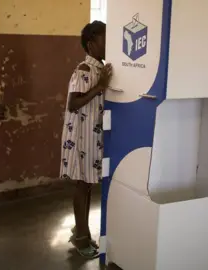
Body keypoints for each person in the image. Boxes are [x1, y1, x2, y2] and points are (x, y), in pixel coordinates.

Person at [60, 20, 112, 259]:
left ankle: (82, 230)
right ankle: (81, 238)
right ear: (91, 44)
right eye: (104, 39)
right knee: (82, 185)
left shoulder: (100, 67)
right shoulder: (85, 69)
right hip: (81, 137)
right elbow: (73, 103)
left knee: (88, 183)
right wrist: (100, 87)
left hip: (92, 135)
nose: (108, 43)